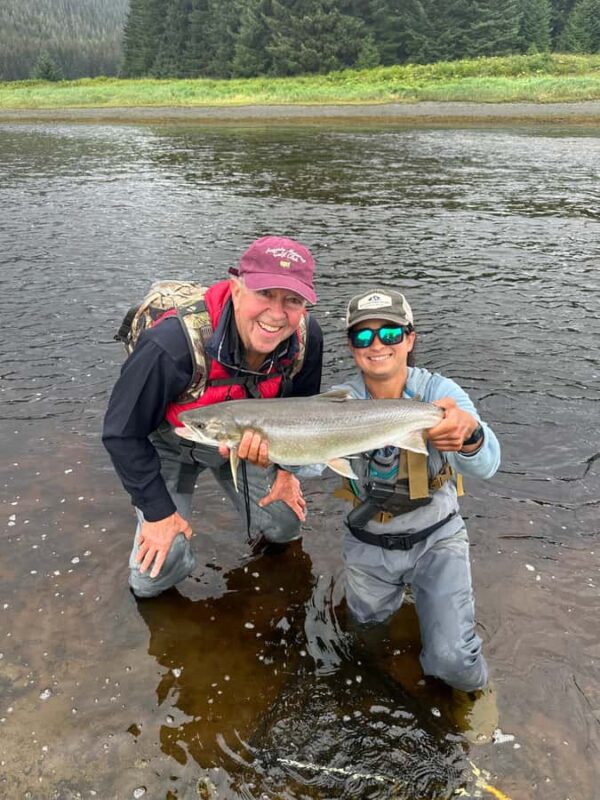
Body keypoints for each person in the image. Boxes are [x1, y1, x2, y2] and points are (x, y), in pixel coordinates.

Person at [102, 235, 323, 598]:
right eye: (264, 293)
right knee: (153, 576)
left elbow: (303, 409)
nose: (277, 313)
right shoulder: (169, 345)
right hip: (172, 443)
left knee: (285, 525)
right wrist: (158, 514)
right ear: (236, 289)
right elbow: (120, 434)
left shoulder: (306, 337)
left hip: (240, 442)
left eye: (292, 300)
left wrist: (286, 472)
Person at [330, 288, 501, 740]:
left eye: (389, 332)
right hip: (368, 542)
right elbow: (309, 461)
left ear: (409, 339)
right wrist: (274, 457)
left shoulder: (438, 393)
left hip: (436, 538)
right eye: (363, 336)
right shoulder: (339, 401)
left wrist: (469, 435)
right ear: (351, 347)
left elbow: (489, 465)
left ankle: (474, 692)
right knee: (365, 641)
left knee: (454, 661)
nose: (377, 344)